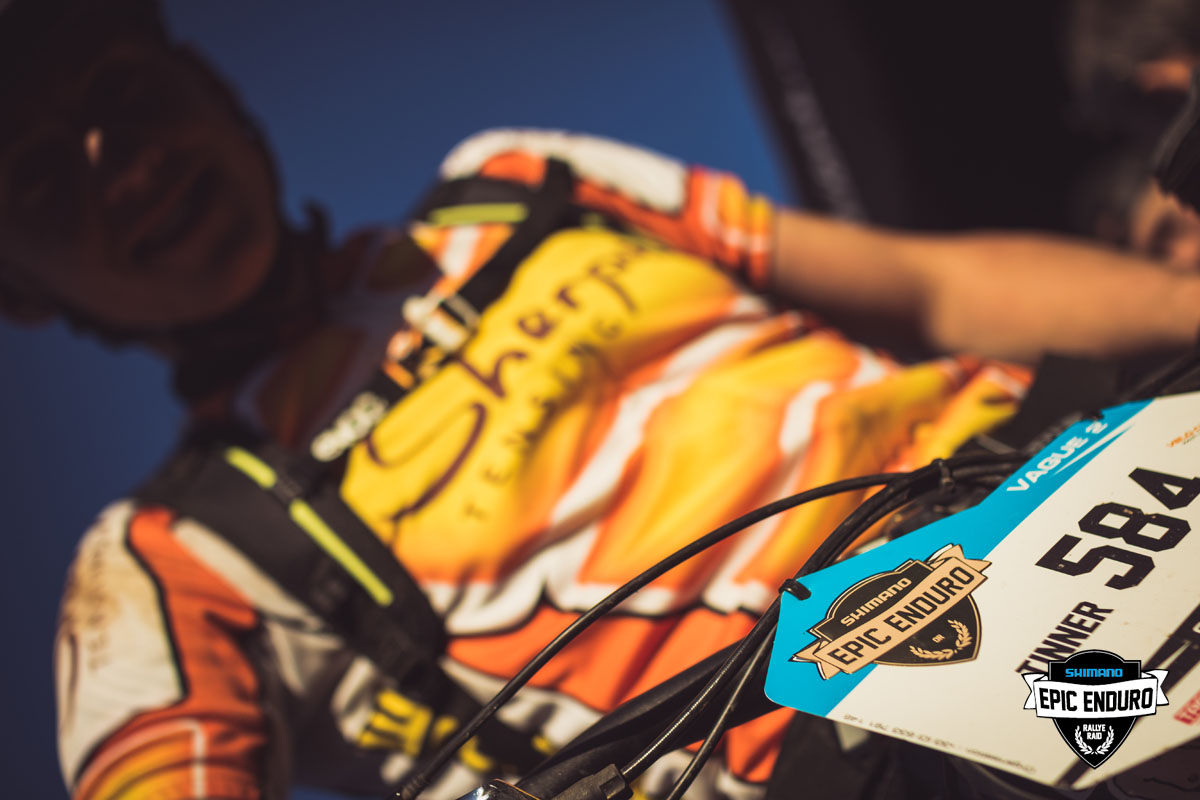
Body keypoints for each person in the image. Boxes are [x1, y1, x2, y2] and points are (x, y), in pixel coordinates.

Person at [4, 2, 1200, 799]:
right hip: (861, 740)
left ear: (204, 80)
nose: (124, 164)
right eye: (46, 181)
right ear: (18, 287)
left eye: (129, 95)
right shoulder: (166, 563)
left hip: (1092, 486)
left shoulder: (520, 182)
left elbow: (930, 289)